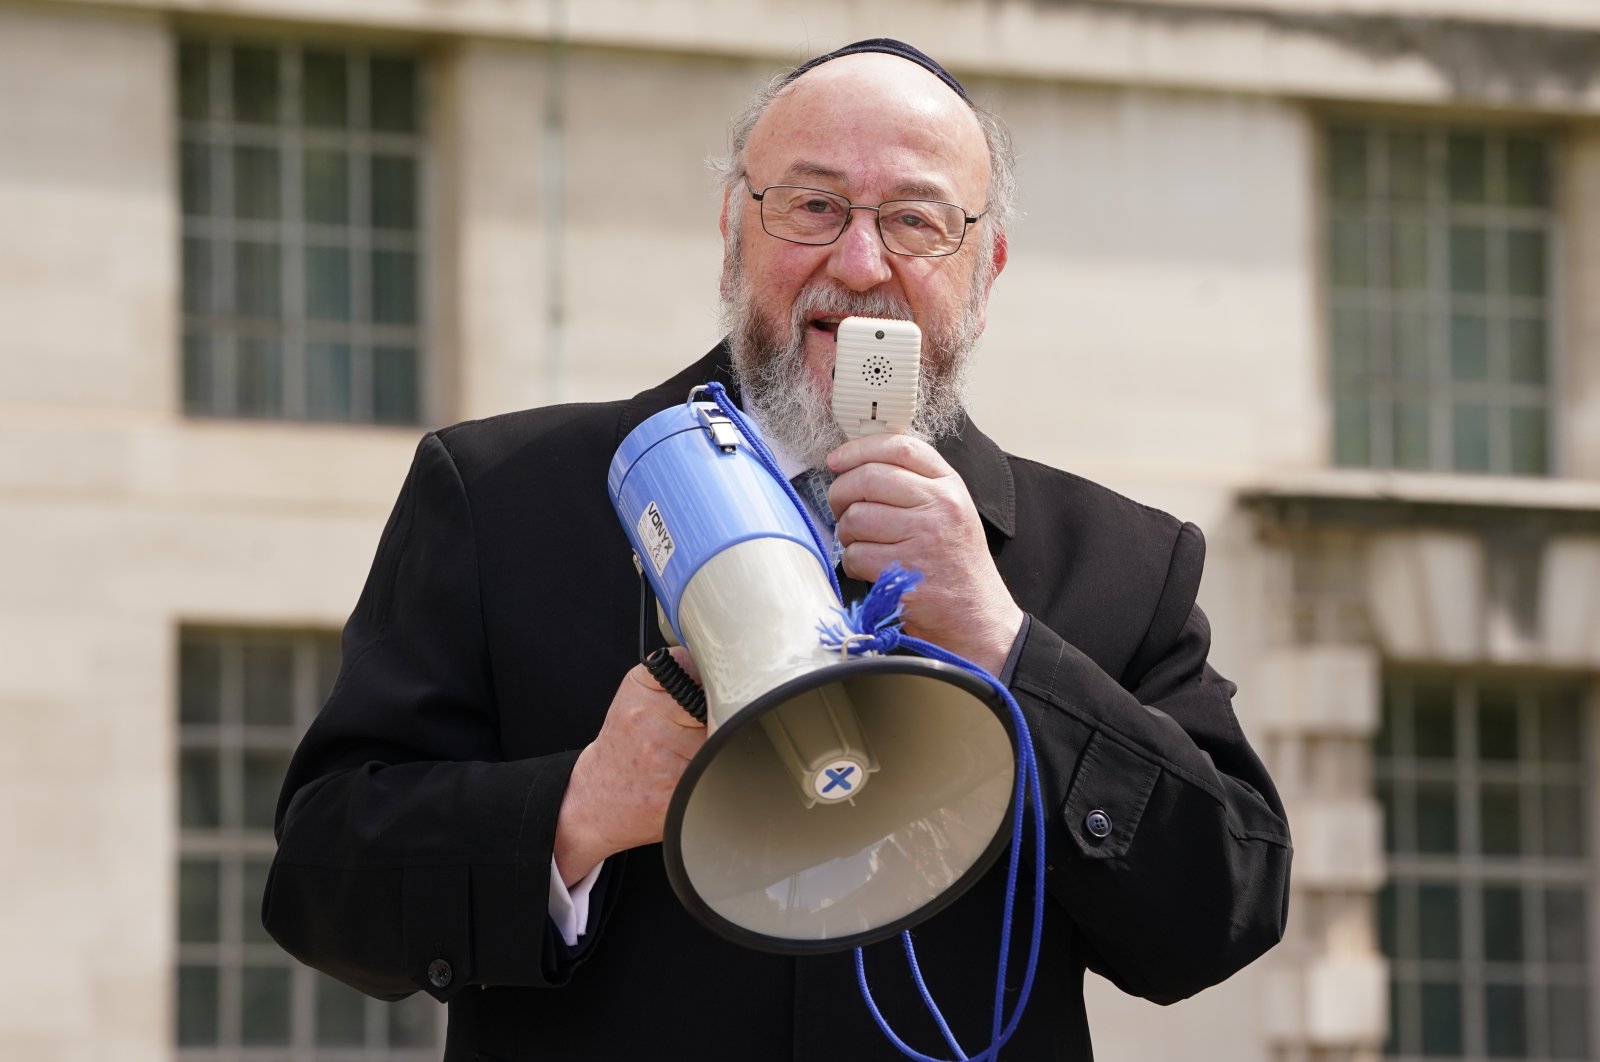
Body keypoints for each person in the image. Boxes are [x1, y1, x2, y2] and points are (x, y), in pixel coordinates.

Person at [265, 38, 1292, 1061]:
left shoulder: (1122, 562)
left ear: (983, 272)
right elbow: (318, 882)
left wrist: (1011, 652)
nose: (859, 263)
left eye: (914, 220)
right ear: (730, 236)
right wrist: (576, 809)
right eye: (811, 206)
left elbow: (1224, 913)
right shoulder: (501, 496)